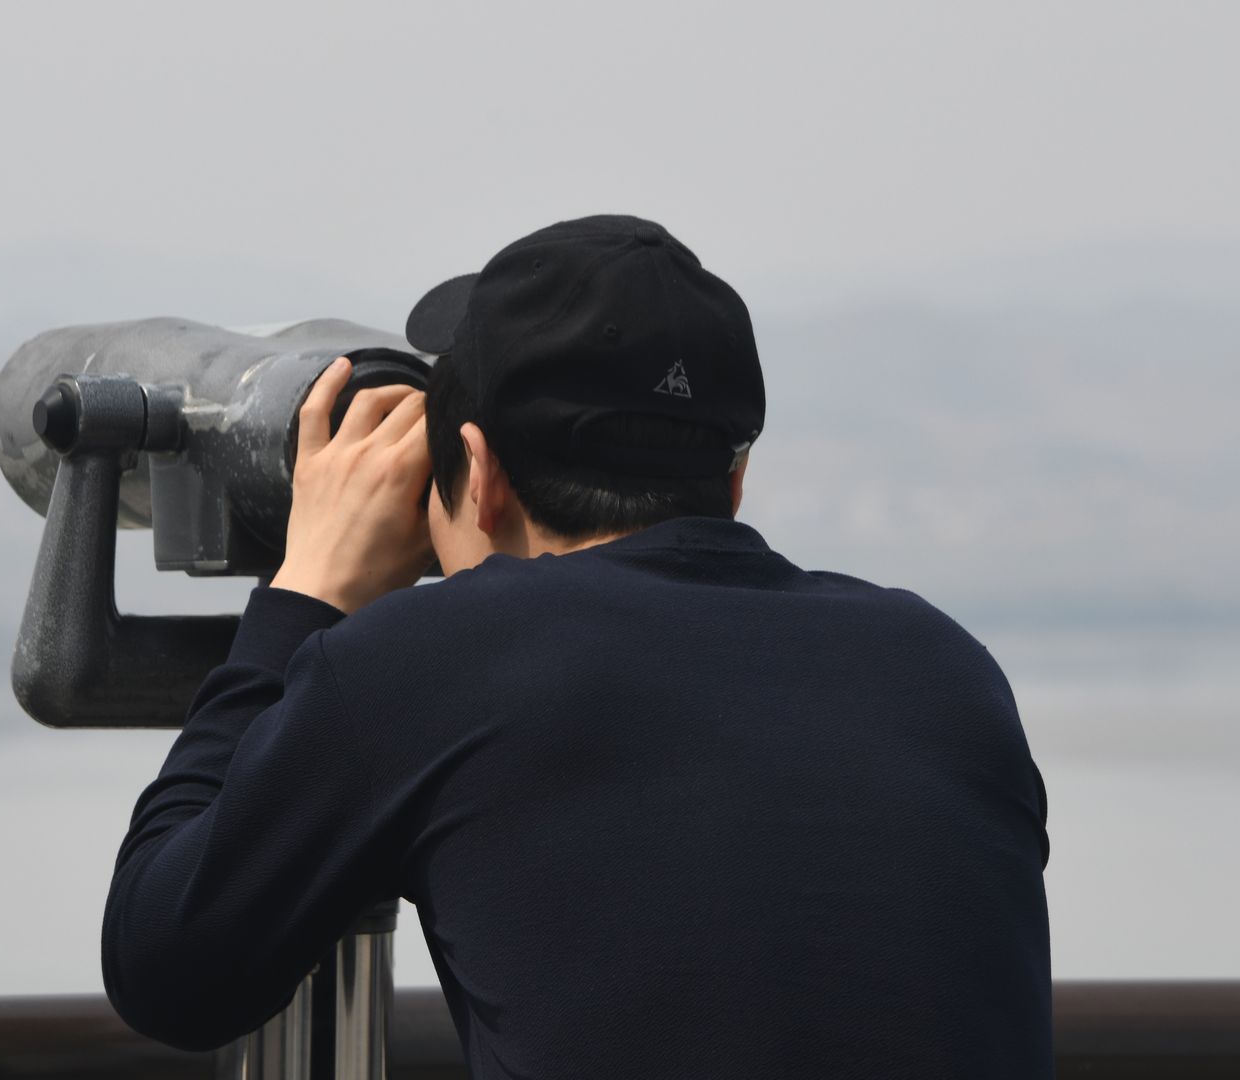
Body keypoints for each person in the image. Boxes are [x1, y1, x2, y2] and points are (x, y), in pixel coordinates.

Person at [102, 215, 1052, 1078]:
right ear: (735, 479)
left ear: (477, 474)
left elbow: (167, 972)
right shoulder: (940, 667)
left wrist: (303, 597)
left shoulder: (436, 661)